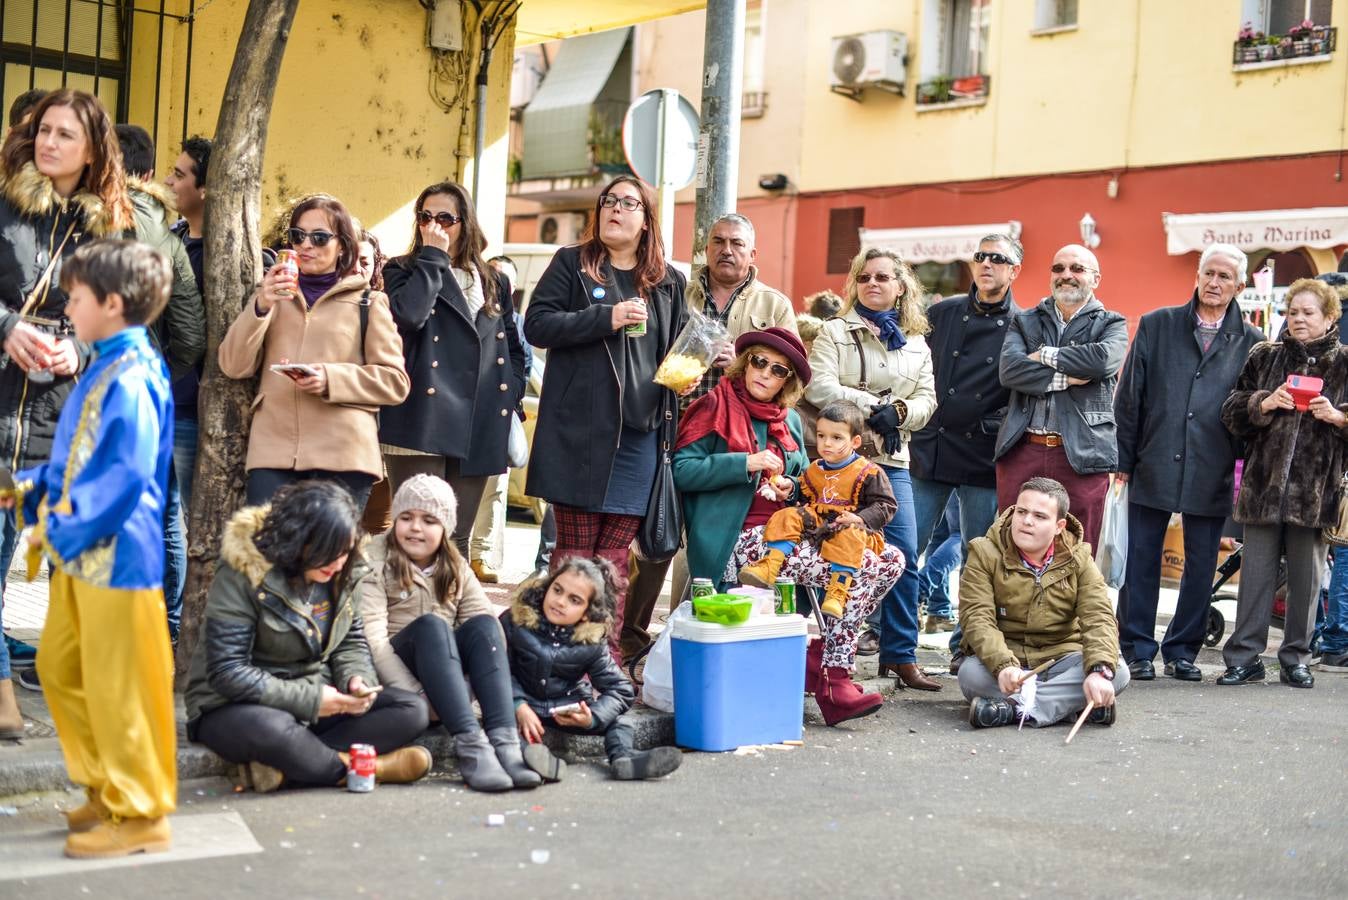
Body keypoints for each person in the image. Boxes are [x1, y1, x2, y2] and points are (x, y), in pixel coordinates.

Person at [7, 240, 176, 856]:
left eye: (75, 297)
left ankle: (140, 812)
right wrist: (27, 489)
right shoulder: (107, 364)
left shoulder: (129, 375)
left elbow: (123, 477)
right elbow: (76, 459)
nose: (67, 306)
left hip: (118, 557)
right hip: (86, 552)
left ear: (111, 303)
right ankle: (108, 787)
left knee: (116, 685)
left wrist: (57, 526)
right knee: (60, 666)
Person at [674, 330, 903, 724]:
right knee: (864, 569)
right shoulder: (713, 405)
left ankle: (820, 658)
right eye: (759, 362)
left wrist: (788, 487)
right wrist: (743, 463)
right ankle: (834, 674)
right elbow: (681, 471)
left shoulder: (791, 422)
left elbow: (804, 485)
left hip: (793, 532)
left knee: (893, 559)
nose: (765, 373)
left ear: (787, 382)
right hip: (736, 538)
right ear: (745, 364)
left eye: (777, 370)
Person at [1, 88, 134, 696]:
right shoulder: (4, 205)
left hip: (60, 409)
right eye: (44, 131)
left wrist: (75, 349)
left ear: (92, 152)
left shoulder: (108, 229)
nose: (49, 143)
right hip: (2, 397)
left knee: (46, 554)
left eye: (65, 135)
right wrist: (7, 329)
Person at [524, 175, 689, 663]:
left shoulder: (667, 282)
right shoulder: (572, 265)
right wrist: (606, 318)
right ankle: (556, 658)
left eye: (628, 203)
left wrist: (701, 364)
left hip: (640, 439)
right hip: (579, 435)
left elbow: (677, 358)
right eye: (609, 201)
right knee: (575, 556)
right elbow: (537, 325)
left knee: (614, 560)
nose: (616, 209)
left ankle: (605, 663)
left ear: (646, 219)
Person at [624, 213, 798, 659]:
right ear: (706, 247)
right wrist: (669, 375)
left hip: (728, 436)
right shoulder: (676, 290)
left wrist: (739, 356)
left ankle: (686, 637)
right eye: (718, 241)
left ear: (752, 253)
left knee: (705, 540)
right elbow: (648, 350)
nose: (727, 250)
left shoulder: (773, 303)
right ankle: (632, 638)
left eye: (737, 243)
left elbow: (789, 369)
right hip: (669, 421)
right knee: (655, 534)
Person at [184, 480, 433, 792]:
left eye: (344, 552)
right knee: (273, 729)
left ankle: (290, 765)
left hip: (315, 693)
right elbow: (227, 672)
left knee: (412, 710)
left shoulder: (344, 569)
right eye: (327, 554)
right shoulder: (244, 570)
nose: (338, 563)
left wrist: (357, 680)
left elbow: (351, 641)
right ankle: (368, 768)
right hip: (234, 704)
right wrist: (311, 700)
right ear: (297, 541)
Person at [1113, 244, 1262, 682]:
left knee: (1200, 564)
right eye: (1208, 274)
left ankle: (1182, 650)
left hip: (1213, 465)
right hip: (1153, 457)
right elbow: (1130, 395)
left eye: (1225, 277)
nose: (1214, 283)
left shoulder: (1253, 342)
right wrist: (1123, 459)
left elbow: (1251, 412)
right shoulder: (1158, 325)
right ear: (1197, 275)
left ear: (1239, 285)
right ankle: (1137, 648)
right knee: (1141, 558)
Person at [220, 194, 409, 508]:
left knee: (328, 558)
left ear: (343, 247)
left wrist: (330, 379)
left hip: (344, 455)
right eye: (298, 236)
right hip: (274, 452)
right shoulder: (270, 295)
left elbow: (395, 382)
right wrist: (261, 306)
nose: (306, 245)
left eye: (320, 238)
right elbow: (233, 365)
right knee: (269, 554)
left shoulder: (369, 302)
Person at [805, 247, 939, 691]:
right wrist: (873, 406)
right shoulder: (833, 330)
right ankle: (811, 649)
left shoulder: (917, 342)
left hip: (892, 460)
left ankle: (899, 655)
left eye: (883, 277)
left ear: (901, 287)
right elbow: (821, 385)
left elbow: (927, 400)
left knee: (903, 555)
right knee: (820, 548)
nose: (873, 284)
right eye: (864, 278)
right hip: (836, 459)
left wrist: (899, 412)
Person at [358, 475, 540, 792]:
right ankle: (472, 746)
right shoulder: (374, 561)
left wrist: (485, 695)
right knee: (433, 625)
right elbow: (374, 643)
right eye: (406, 518)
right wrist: (418, 696)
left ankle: (505, 741)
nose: (416, 527)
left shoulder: (454, 564)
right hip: (399, 674)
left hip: (445, 671)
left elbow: (485, 627)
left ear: (445, 529)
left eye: (429, 520)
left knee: (485, 624)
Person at [378, 181, 525, 558]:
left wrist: (512, 394)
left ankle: (446, 617)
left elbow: (511, 344)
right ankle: (408, 616)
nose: (435, 226)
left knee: (456, 540)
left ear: (466, 223)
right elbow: (409, 316)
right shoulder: (401, 269)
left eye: (446, 218)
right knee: (417, 536)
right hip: (421, 419)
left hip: (481, 418)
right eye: (425, 217)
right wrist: (432, 256)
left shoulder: (495, 280)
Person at [1217, 278, 1348, 689]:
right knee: (1255, 576)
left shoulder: (1345, 362)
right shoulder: (1264, 356)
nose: (1299, 320)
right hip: (1262, 488)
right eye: (1293, 312)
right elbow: (1231, 411)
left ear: (1329, 318)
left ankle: (1295, 657)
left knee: (1306, 581)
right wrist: (1264, 402)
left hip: (1314, 492)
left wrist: (1339, 417)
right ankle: (1245, 657)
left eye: (1308, 313)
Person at [908, 233, 1024, 667]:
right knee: (905, 545)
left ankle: (967, 644)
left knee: (980, 556)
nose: (987, 264)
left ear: (1014, 270)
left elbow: (1023, 389)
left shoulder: (1024, 324)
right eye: (981, 256)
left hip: (983, 452)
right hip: (931, 445)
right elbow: (914, 364)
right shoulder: (941, 312)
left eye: (998, 258)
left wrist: (995, 425)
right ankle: (892, 637)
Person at [115, 123, 207, 642]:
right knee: (166, 511)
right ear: (148, 174)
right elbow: (191, 334)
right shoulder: (166, 238)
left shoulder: (80, 217)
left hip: (81, 385)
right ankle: (165, 628)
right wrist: (160, 367)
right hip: (150, 392)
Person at [958, 477, 1130, 729]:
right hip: (1009, 660)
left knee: (1117, 672)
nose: (1027, 521)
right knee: (970, 674)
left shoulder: (1080, 556)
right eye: (1022, 512)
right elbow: (976, 617)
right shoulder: (984, 552)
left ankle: (1012, 709)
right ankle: (1072, 705)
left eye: (1039, 516)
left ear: (1060, 525)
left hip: (1063, 657)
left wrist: (1099, 671)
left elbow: (1099, 615)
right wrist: (1003, 665)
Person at [994, 244, 1127, 552]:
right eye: (1058, 268)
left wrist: (1045, 355)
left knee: (1078, 550)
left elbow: (1102, 360)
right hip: (1022, 449)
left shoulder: (1112, 323)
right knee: (1012, 548)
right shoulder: (1025, 321)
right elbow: (1010, 370)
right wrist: (1066, 377)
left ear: (1095, 279)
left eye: (1077, 269)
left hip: (1082, 454)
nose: (1066, 275)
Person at [501, 557, 682, 782]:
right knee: (504, 724)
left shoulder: (591, 642)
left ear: (587, 613)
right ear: (548, 586)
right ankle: (535, 761)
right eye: (557, 590)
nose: (560, 601)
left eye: (574, 600)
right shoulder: (515, 620)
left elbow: (621, 690)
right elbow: (498, 670)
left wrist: (592, 718)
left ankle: (624, 760)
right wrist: (518, 704)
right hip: (524, 705)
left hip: (567, 708)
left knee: (619, 722)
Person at [738, 399, 896, 621]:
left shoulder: (868, 472)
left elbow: (886, 505)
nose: (826, 444)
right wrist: (790, 487)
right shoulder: (815, 468)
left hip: (855, 530)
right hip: (820, 524)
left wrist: (859, 518)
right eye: (821, 436)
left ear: (856, 441)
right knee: (787, 515)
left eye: (836, 437)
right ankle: (769, 565)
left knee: (849, 534)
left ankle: (837, 591)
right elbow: (806, 492)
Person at [470, 255, 531, 584]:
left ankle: (481, 555)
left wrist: (510, 395)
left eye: (504, 279)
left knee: (494, 490)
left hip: (499, 416)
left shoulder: (516, 322)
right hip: (465, 413)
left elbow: (522, 359)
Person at [164, 135, 212, 513]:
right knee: (159, 517)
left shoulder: (222, 254)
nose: (168, 181)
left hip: (191, 405)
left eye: (179, 175)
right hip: (161, 397)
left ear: (206, 188)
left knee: (192, 515)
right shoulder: (172, 239)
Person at [917, 494, 962, 633]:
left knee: (940, 537)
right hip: (970, 475)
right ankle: (919, 587)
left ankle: (938, 613)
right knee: (961, 535)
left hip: (940, 474)